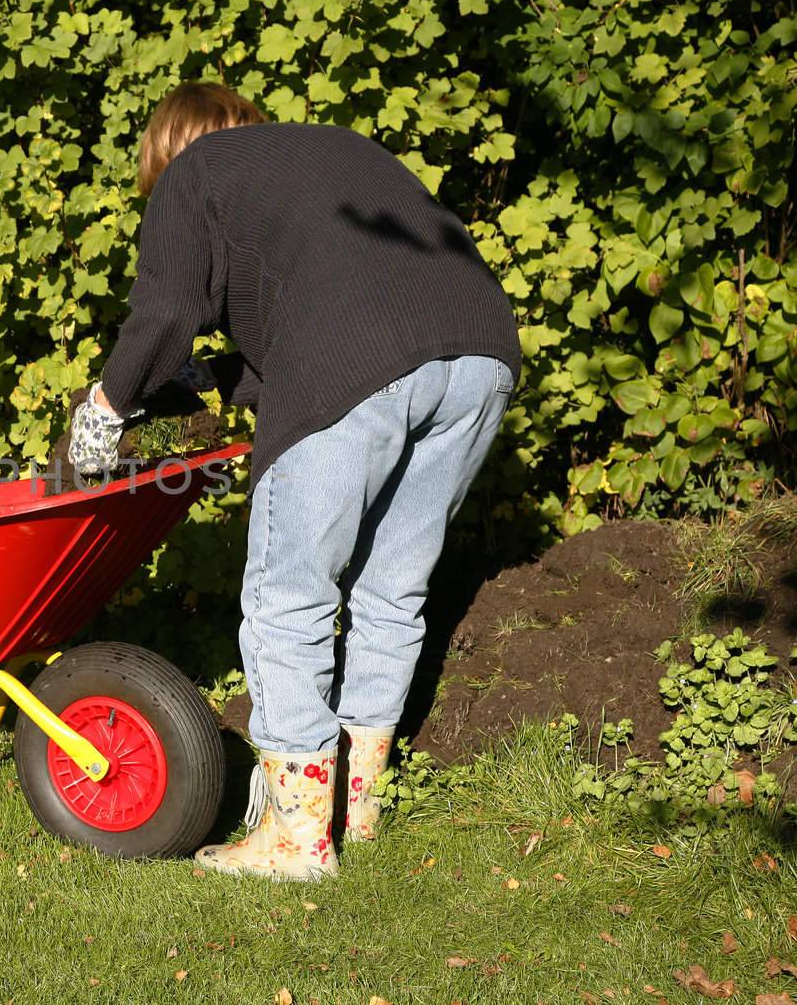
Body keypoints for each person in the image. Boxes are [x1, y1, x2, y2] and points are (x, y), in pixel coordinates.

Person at [68, 82, 521, 880]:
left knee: (289, 597)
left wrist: (104, 409)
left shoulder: (194, 173)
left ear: (167, 151)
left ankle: (296, 841)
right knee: (391, 592)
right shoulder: (329, 154)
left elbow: (167, 310)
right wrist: (196, 381)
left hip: (352, 354)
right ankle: (356, 807)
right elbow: (307, 309)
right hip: (481, 349)